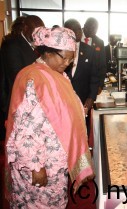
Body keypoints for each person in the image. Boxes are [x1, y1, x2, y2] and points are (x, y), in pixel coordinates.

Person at [5, 26, 95, 208]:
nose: (67, 63)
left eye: (71, 59)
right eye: (64, 58)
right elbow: (26, 130)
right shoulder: (35, 79)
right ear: (47, 53)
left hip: (55, 159)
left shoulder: (55, 74)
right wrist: (36, 167)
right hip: (40, 163)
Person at [64, 18, 100, 135]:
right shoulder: (60, 52)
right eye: (74, 29)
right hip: (64, 101)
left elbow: (94, 77)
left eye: (79, 28)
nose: (78, 32)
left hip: (83, 101)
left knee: (83, 133)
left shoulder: (89, 50)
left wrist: (91, 97)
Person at [82, 17, 107, 92]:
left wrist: (100, 84)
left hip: (93, 83)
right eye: (92, 28)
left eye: (96, 28)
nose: (94, 31)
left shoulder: (99, 42)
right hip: (76, 83)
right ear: (85, 26)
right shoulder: (76, 37)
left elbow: (102, 65)